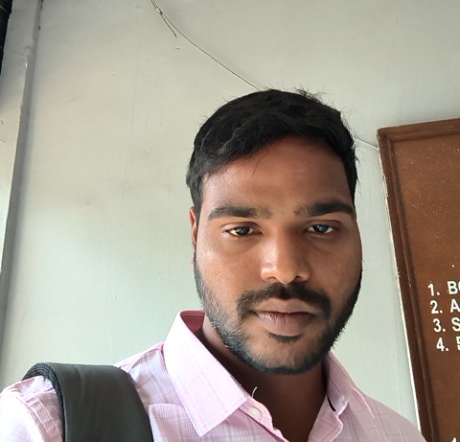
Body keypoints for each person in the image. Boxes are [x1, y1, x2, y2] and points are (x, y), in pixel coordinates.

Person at [0, 89, 425, 441]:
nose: (284, 269)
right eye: (242, 230)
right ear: (195, 235)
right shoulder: (47, 425)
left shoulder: (398, 435)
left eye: (321, 228)